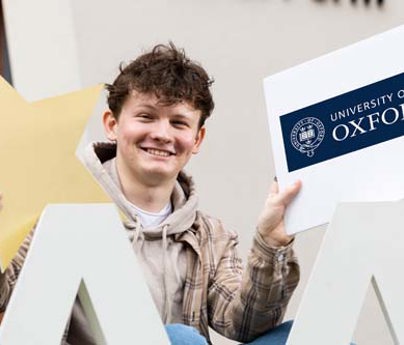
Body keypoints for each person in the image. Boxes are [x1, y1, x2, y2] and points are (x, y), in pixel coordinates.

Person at [0, 43, 301, 345]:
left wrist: (271, 243)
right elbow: (6, 296)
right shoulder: (55, 212)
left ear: (197, 139)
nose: (162, 134)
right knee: (181, 338)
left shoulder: (211, 236)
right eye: (146, 117)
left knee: (309, 337)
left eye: (178, 123)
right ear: (112, 125)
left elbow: (245, 325)